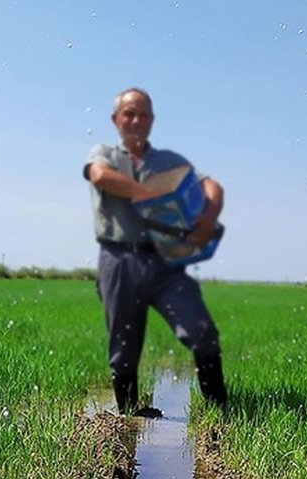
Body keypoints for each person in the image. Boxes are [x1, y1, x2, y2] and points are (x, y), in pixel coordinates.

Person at [83, 87, 228, 417]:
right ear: (115, 119)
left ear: (152, 119)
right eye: (129, 113)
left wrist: (208, 219)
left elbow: (210, 186)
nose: (136, 120)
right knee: (124, 344)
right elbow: (99, 175)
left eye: (143, 113)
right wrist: (148, 194)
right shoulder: (104, 153)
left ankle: (220, 413)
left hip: (167, 264)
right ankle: (131, 414)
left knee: (201, 330)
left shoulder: (169, 162)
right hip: (119, 259)